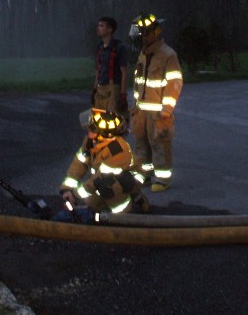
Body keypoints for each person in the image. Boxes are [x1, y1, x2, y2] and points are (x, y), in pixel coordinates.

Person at [53, 109, 149, 223]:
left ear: (105, 134)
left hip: (130, 177)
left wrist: (74, 194)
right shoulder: (91, 141)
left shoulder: (118, 150)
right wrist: (67, 189)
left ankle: (123, 215)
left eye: (92, 129)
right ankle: (124, 200)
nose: (88, 131)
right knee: (93, 204)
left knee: (107, 185)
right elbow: (79, 164)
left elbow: (98, 179)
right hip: (104, 178)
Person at [129, 13, 183, 193]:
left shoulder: (168, 54)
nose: (144, 37)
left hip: (159, 112)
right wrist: (136, 104)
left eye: (147, 33)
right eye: (142, 33)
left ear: (156, 32)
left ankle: (162, 178)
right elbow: (139, 82)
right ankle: (144, 174)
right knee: (141, 144)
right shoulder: (143, 55)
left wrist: (167, 109)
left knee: (160, 145)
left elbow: (174, 81)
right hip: (142, 110)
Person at [91, 17, 129, 117]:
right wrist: (94, 90)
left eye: (101, 25)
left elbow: (124, 72)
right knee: (97, 121)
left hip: (113, 91)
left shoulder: (119, 47)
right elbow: (98, 70)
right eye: (98, 25)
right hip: (100, 90)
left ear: (110, 29)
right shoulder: (99, 47)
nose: (98, 28)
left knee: (112, 121)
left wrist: (123, 95)